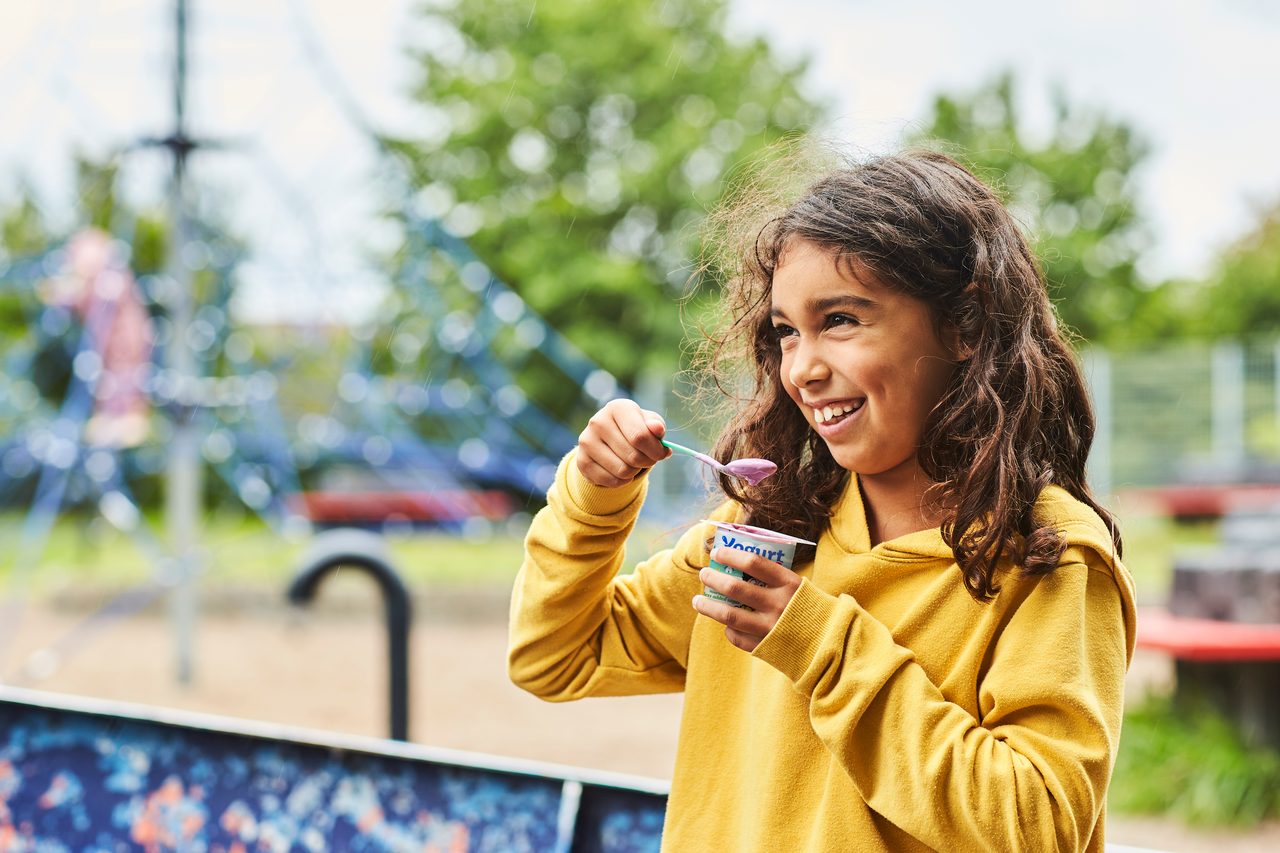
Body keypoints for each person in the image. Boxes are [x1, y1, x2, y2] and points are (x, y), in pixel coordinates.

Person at [507, 147, 1136, 852]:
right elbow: (553, 655)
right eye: (785, 332)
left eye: (840, 319)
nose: (802, 368)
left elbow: (1038, 824)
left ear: (964, 324)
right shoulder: (767, 527)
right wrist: (594, 500)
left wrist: (819, 644)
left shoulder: (1047, 553)